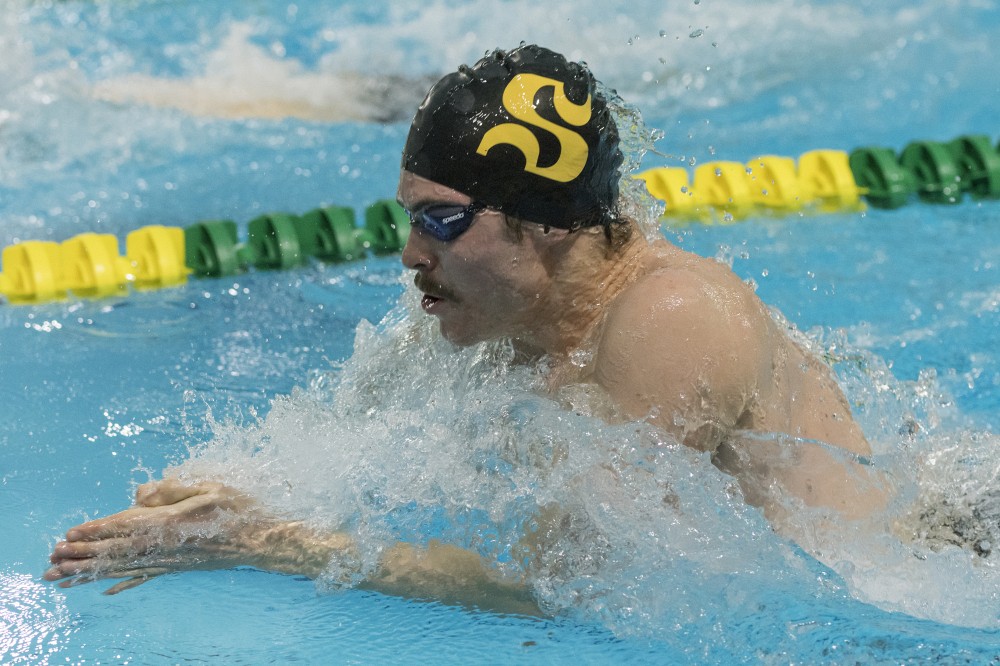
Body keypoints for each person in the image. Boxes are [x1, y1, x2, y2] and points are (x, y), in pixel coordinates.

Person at [44, 44, 889, 611]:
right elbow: (357, 447)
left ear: (547, 221)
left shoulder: (670, 319)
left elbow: (563, 587)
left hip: (899, 586)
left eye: (442, 221)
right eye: (410, 218)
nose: (412, 254)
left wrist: (266, 544)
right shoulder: (495, 310)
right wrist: (232, 499)